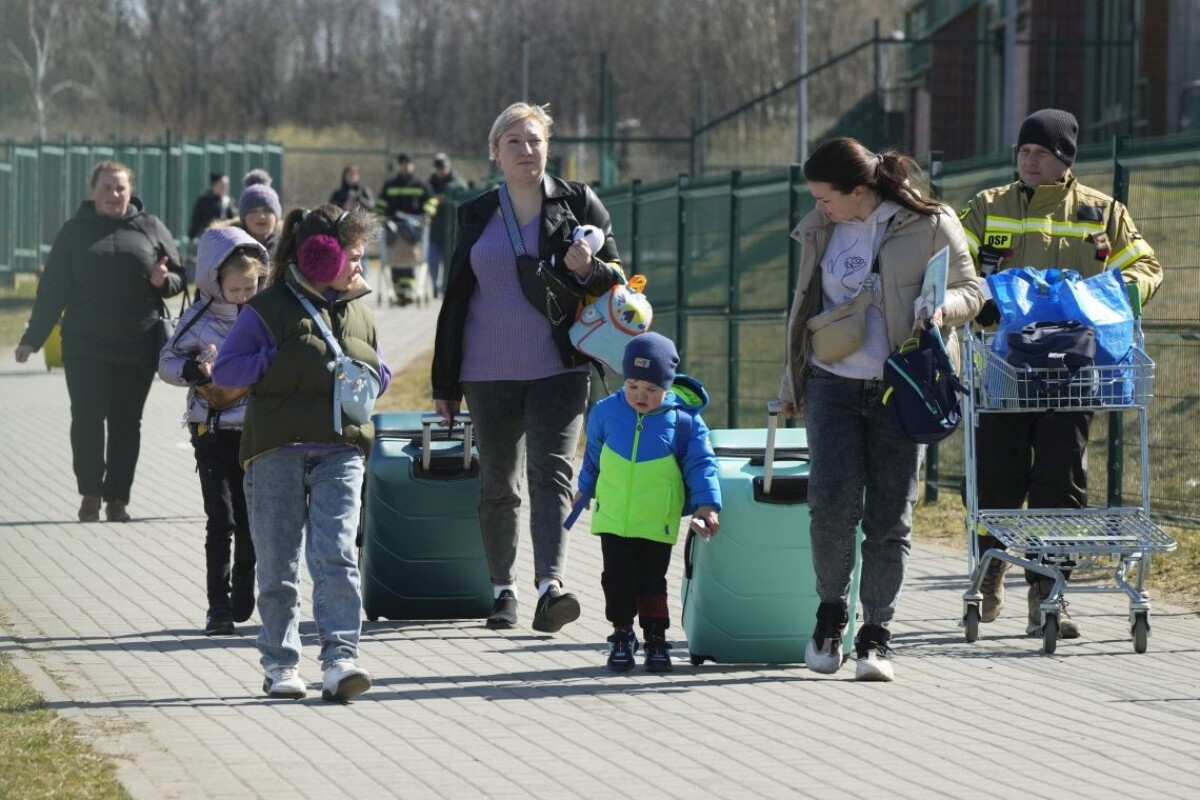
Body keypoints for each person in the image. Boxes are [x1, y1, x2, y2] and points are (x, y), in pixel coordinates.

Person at [778, 137, 983, 682]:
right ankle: (830, 616)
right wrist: (791, 381)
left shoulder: (931, 221)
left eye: (827, 197)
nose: (820, 206)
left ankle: (877, 633)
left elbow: (975, 289)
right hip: (832, 384)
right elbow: (806, 308)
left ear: (861, 190)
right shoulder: (822, 227)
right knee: (829, 507)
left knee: (889, 518)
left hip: (904, 387)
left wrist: (942, 309)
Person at [959, 108, 1163, 639]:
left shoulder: (1102, 213)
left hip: (1074, 372)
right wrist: (982, 307)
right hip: (1002, 370)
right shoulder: (987, 207)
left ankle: (1049, 594)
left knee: (1062, 481)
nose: (1029, 161)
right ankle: (992, 571)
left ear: (1064, 160)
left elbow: (1146, 268)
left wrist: (1106, 302)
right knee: (997, 477)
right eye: (1024, 152)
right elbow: (953, 265)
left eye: (1041, 154)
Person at [431, 102, 625, 633]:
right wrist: (443, 382)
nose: (527, 150)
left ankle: (550, 587)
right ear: (495, 153)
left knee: (552, 474)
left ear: (548, 147)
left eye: (535, 140)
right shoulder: (474, 213)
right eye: (514, 142)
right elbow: (455, 299)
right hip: (485, 371)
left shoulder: (578, 202)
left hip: (559, 367)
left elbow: (618, 281)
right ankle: (503, 590)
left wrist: (592, 269)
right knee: (499, 483)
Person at [211, 204, 388, 702]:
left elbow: (381, 369)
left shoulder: (360, 309)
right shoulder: (267, 310)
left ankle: (340, 660)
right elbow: (226, 372)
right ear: (320, 256)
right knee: (279, 562)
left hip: (341, 451)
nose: (360, 265)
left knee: (336, 555)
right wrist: (280, 360)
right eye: (353, 255)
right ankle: (280, 665)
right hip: (276, 451)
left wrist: (371, 373)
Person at [14, 161, 186, 523]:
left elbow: (179, 278)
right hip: (84, 344)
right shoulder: (74, 232)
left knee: (127, 423)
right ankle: (90, 494)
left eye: (120, 188)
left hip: (137, 344)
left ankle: (118, 500)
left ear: (130, 192)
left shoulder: (150, 226)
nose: (114, 194)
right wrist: (32, 339)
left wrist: (162, 280)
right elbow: (53, 289)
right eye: (107, 187)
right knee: (87, 419)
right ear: (93, 192)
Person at [574, 333, 721, 673]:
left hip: (657, 517)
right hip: (613, 516)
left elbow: (702, 464)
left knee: (652, 581)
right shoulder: (605, 412)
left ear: (667, 387)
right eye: (633, 385)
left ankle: (656, 638)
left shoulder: (683, 420)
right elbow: (593, 458)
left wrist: (707, 504)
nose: (641, 395)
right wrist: (584, 488)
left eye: (652, 389)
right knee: (616, 579)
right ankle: (622, 634)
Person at [158, 227, 269, 637]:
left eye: (251, 287)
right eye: (235, 287)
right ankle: (218, 606)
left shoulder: (266, 316)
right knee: (219, 517)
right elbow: (166, 361)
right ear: (214, 280)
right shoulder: (197, 319)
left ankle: (244, 589)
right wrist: (189, 371)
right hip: (211, 428)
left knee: (251, 519)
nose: (243, 295)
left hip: (257, 433)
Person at [426, 153, 467, 297]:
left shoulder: (457, 182)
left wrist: (445, 198)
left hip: (452, 230)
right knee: (432, 259)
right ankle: (436, 285)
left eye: (443, 167)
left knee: (449, 262)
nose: (441, 171)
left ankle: (446, 288)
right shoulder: (431, 182)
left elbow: (463, 194)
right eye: (438, 168)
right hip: (434, 229)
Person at [236, 169, 282, 257]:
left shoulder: (287, 248)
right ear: (243, 217)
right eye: (253, 211)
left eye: (267, 210)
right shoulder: (231, 249)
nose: (261, 216)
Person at [188, 173, 237, 242]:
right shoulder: (204, 201)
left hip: (226, 238)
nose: (224, 187)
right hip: (208, 237)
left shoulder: (230, 202)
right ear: (214, 184)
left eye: (226, 185)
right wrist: (191, 236)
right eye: (222, 185)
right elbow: (196, 220)